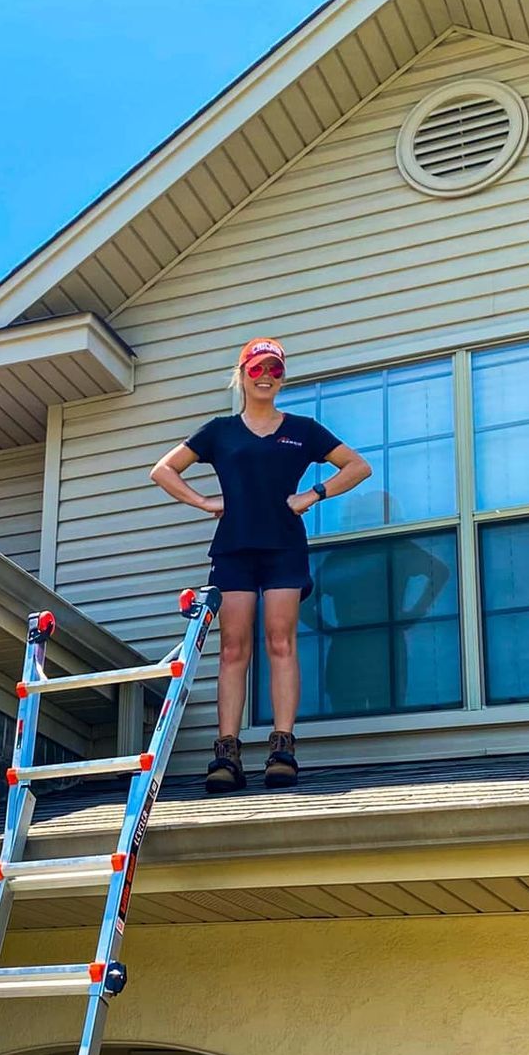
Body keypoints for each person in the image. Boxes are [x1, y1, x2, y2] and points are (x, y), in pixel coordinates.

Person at [150, 337, 372, 793]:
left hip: (283, 549)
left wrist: (313, 494)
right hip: (233, 550)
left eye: (275, 369)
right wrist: (205, 502)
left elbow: (357, 467)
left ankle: (282, 750)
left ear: (282, 377)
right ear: (243, 375)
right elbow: (164, 470)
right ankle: (226, 753)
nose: (266, 376)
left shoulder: (303, 430)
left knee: (280, 642)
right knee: (233, 648)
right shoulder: (220, 431)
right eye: (258, 369)